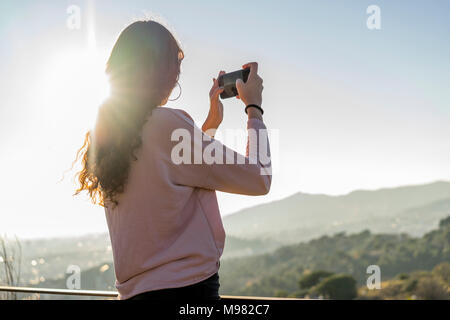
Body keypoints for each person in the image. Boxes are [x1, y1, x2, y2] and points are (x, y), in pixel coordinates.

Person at [74, 20, 271, 300]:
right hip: (187, 291)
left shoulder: (109, 135)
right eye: (175, 64)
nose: (178, 74)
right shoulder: (168, 124)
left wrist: (210, 125)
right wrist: (254, 107)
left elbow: (172, 173)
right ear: (157, 69)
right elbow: (259, 176)